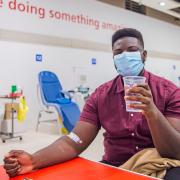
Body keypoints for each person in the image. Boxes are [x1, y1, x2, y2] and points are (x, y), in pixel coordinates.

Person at [4, 28, 180, 179]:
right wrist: (34, 160)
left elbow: (174, 150)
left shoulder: (169, 92)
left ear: (144, 55)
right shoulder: (101, 96)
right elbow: (72, 142)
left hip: (160, 165)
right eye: (118, 53)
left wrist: (152, 112)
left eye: (132, 50)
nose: (124, 56)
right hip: (115, 166)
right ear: (113, 58)